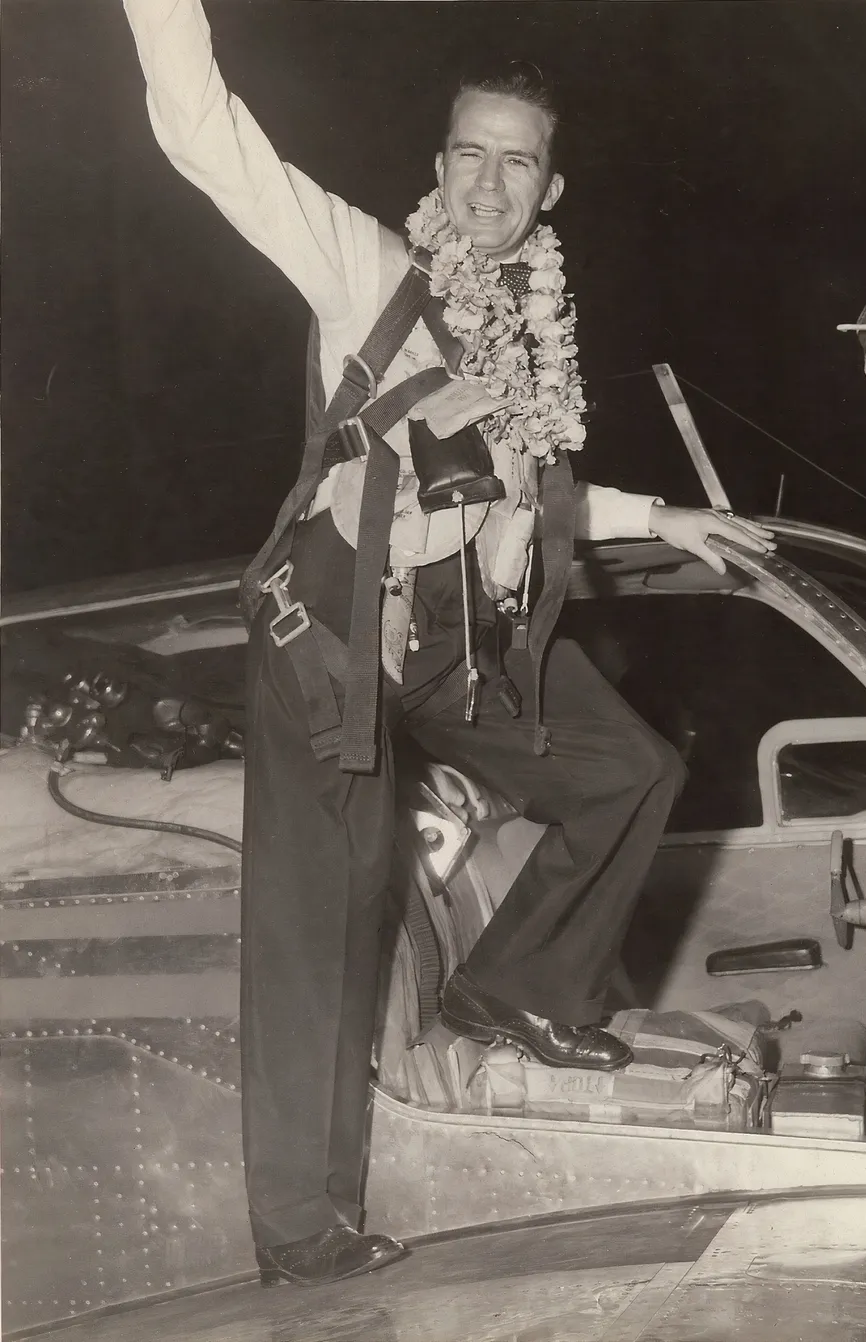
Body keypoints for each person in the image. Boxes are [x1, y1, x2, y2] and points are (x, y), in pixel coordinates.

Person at [123, 0, 775, 1288]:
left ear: (550, 185)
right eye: (468, 155)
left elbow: (519, 503)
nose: (489, 184)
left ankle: (512, 987)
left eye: (516, 160)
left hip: (454, 645)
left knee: (629, 767)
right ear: (437, 169)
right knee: (330, 922)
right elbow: (203, 131)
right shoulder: (366, 267)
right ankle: (302, 1232)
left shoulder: (531, 332)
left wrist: (670, 516)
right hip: (336, 640)